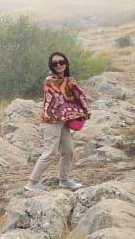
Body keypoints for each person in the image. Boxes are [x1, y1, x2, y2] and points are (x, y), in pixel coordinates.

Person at [25, 52, 90, 192]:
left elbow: (75, 96)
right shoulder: (51, 81)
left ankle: (64, 180)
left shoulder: (67, 79)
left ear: (66, 63)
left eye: (61, 62)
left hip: (62, 121)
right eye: (55, 63)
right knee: (50, 152)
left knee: (68, 150)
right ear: (51, 66)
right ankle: (32, 183)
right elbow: (60, 100)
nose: (59, 65)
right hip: (51, 121)